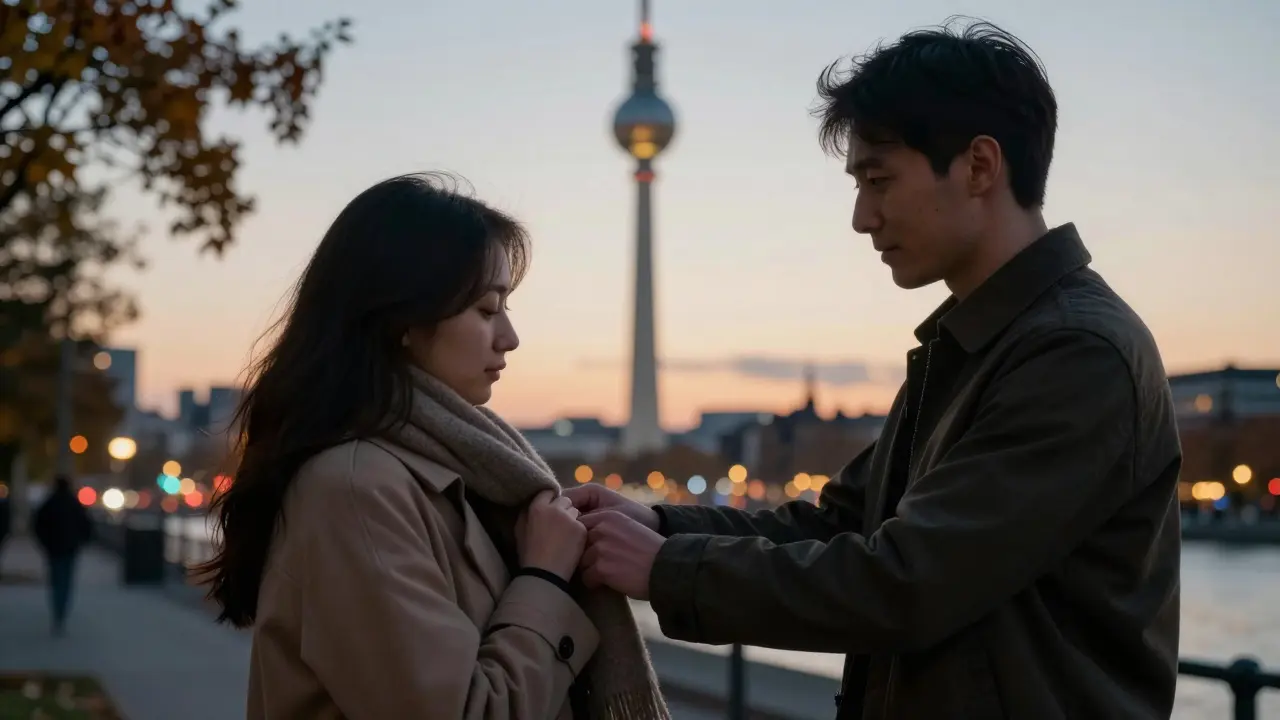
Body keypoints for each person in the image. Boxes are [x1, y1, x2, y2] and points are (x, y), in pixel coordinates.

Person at [569, 19, 1182, 720]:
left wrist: (662, 568)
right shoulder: (978, 347)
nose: (863, 218)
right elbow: (839, 526)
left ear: (980, 167)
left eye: (879, 180)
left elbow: (908, 582)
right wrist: (656, 524)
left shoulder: (1075, 355)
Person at [196, 173, 668, 720]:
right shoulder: (356, 489)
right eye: (487, 309)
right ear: (403, 319)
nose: (509, 337)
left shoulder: (454, 475)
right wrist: (543, 576)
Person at [32, 474, 93, 636]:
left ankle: (57, 610)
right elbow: (86, 525)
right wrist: (81, 542)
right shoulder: (74, 504)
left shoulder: (49, 504)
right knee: (66, 581)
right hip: (70, 550)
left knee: (55, 579)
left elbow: (38, 525)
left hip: (53, 549)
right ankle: (61, 611)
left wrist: (44, 544)